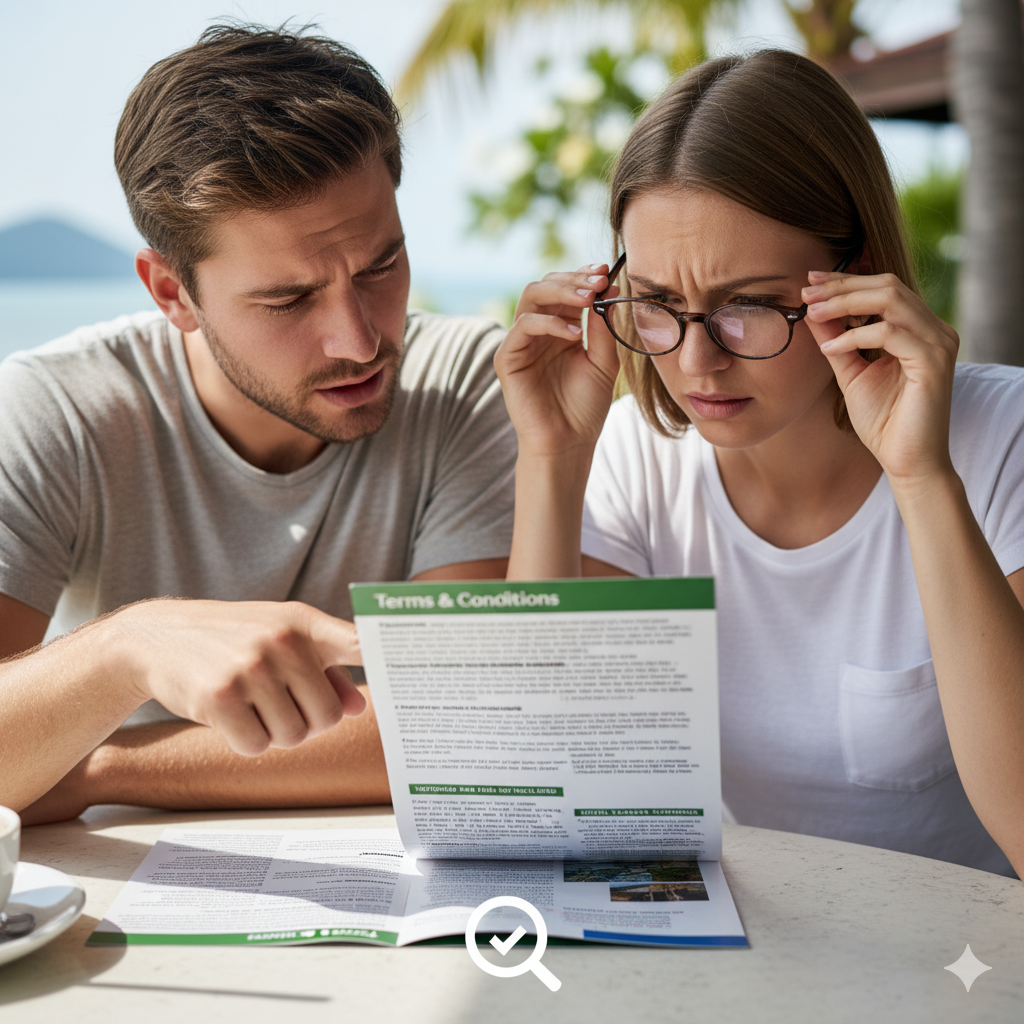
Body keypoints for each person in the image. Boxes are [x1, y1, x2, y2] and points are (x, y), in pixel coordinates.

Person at [495, 49, 1024, 879]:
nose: (699, 364)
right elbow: (543, 796)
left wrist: (922, 479)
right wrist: (552, 459)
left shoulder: (1004, 440)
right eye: (660, 305)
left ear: (855, 276)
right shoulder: (637, 461)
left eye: (747, 306)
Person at [0, 25, 516, 823]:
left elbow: (463, 722)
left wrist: (96, 766)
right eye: (289, 300)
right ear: (171, 293)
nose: (362, 340)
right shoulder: (53, 411)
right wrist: (130, 645)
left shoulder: (466, 385)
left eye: (382, 266)